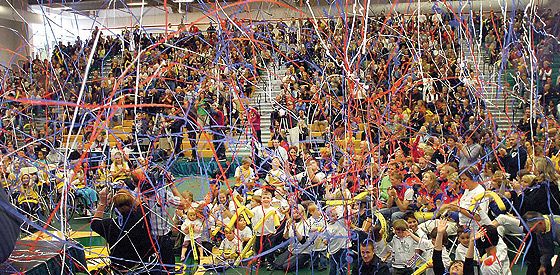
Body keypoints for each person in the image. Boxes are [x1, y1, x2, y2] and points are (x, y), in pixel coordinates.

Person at [91, 188, 155, 274]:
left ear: (116, 207)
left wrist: (103, 202)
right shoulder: (143, 213)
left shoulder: (110, 225)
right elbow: (140, 203)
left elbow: (94, 223)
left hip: (119, 269)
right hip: (142, 267)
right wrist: (126, 195)